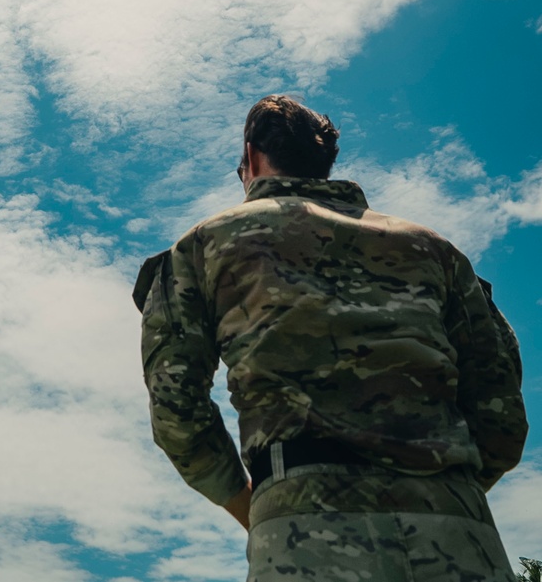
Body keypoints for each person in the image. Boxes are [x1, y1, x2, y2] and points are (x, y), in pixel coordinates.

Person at [134, 94, 526, 582]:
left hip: (302, 530)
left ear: (251, 158)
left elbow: (175, 405)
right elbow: (502, 411)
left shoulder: (205, 244)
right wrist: (441, 486)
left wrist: (247, 502)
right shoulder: (435, 250)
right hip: (461, 527)